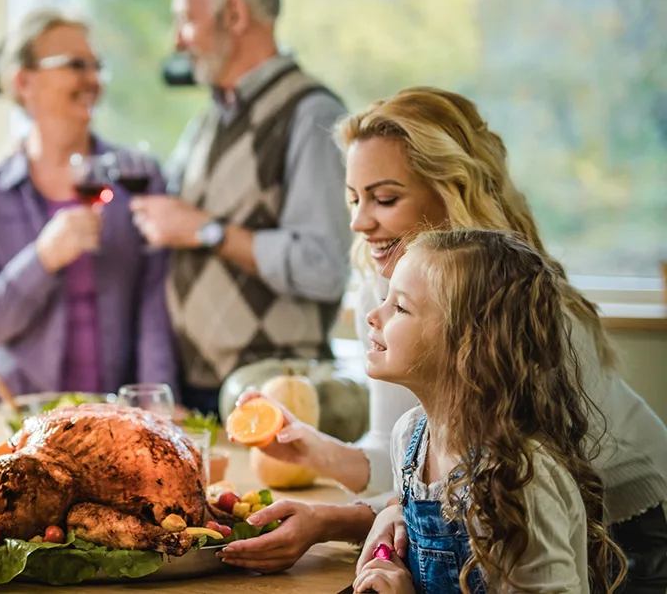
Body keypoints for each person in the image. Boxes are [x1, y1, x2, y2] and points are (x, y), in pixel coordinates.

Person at [221, 88, 667, 589]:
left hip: (627, 537)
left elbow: (502, 492)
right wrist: (319, 466)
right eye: (353, 198)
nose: (359, 221)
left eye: (384, 198)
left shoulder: (513, 312)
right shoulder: (392, 286)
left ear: (451, 191)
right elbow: (418, 471)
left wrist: (351, 520)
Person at [351, 228, 625, 593]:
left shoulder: (520, 480)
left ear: (468, 346)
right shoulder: (411, 438)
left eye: (400, 307)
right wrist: (393, 512)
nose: (374, 314)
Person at [132, 0, 352, 413]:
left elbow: (325, 268)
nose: (177, 40)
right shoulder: (206, 124)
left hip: (277, 400)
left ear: (233, 14)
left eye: (185, 20)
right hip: (197, 396)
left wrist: (208, 231)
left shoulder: (311, 114)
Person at [0, 8, 176, 403]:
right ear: (24, 82)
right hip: (20, 423)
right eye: (76, 65)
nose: (93, 79)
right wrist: (42, 258)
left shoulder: (137, 178)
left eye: (97, 66)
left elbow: (154, 307)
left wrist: (155, 402)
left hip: (113, 421)